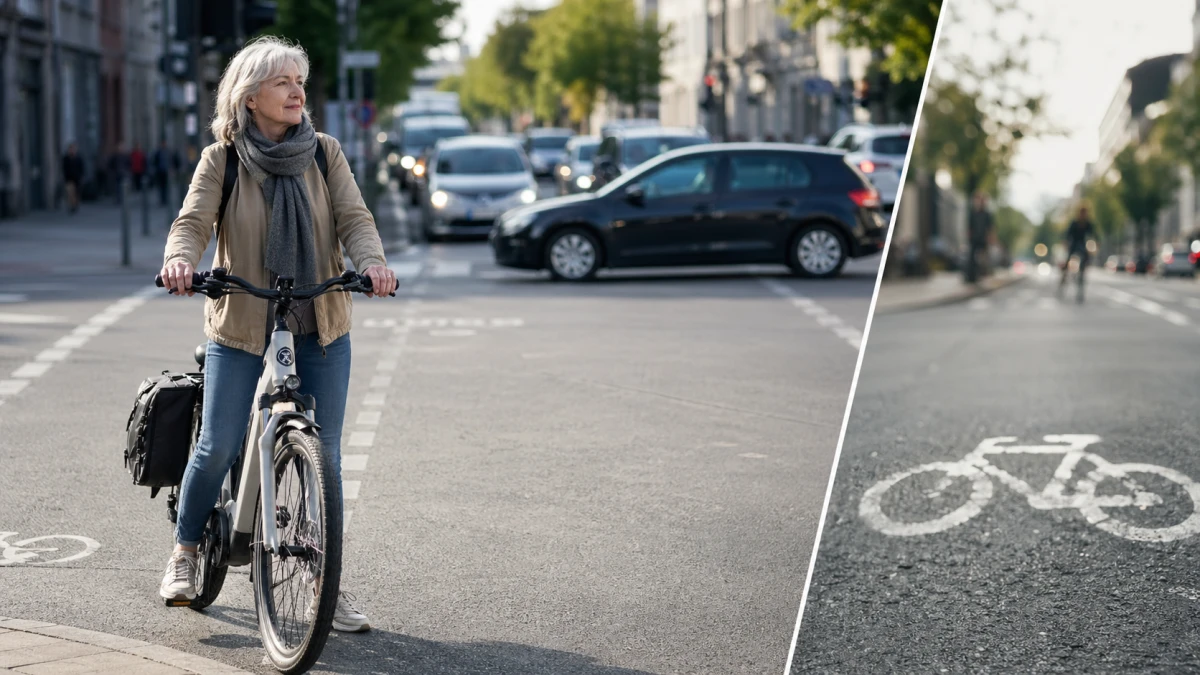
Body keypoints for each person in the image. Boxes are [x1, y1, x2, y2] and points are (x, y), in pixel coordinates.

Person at [158, 35, 398, 633]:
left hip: (319, 315)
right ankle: (185, 550)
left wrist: (372, 263)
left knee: (325, 455)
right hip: (244, 317)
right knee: (217, 444)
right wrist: (181, 260)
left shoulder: (324, 153)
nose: (297, 92)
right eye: (282, 82)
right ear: (250, 97)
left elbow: (355, 219)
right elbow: (192, 222)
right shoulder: (223, 160)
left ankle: (324, 580)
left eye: (300, 82)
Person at [1061, 205, 1097, 301]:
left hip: (1082, 245)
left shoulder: (1088, 224)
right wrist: (1066, 242)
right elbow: (1068, 234)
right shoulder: (1074, 223)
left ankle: (1082, 271)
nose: (1083, 215)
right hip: (1074, 244)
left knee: (1084, 258)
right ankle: (1064, 276)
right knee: (1068, 260)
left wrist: (1096, 242)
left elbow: (1093, 234)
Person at [965, 192, 994, 284]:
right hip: (974, 239)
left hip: (983, 239)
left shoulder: (987, 214)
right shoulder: (973, 213)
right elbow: (969, 227)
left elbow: (990, 228)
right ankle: (971, 276)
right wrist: (969, 237)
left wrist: (990, 238)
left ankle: (983, 273)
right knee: (972, 258)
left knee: (983, 258)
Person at [153, 140, 179, 206]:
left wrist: (172, 169)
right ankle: (162, 200)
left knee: (167, 187)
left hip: (167, 172)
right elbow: (155, 161)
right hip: (160, 172)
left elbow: (172, 161)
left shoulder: (168, 152)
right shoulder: (158, 152)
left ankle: (166, 200)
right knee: (161, 187)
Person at [61, 143, 83, 213]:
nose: (72, 150)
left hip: (77, 179)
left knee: (76, 193)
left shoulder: (78, 158)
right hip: (69, 179)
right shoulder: (66, 158)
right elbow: (64, 168)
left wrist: (81, 176)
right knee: (70, 193)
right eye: (71, 149)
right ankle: (71, 205)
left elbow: (82, 168)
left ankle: (75, 204)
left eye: (73, 149)